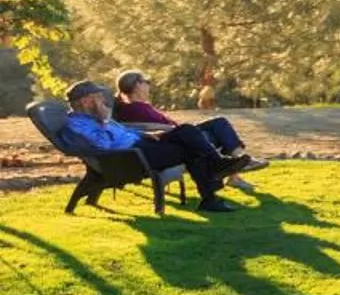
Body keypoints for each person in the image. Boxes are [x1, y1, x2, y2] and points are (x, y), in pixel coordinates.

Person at [56, 80, 255, 212]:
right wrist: (103, 120)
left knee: (186, 130)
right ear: (85, 101)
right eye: (97, 97)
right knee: (188, 150)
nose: (102, 100)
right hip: (131, 157)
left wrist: (147, 134)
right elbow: (104, 145)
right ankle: (211, 190)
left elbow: (125, 132)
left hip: (142, 144)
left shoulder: (97, 116)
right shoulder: (77, 124)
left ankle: (216, 169)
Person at [113, 70, 261, 192]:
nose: (148, 85)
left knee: (218, 126)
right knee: (219, 125)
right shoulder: (137, 108)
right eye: (145, 82)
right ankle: (238, 164)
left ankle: (235, 173)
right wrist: (178, 129)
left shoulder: (135, 107)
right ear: (137, 85)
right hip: (175, 138)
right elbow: (149, 128)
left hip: (176, 134)